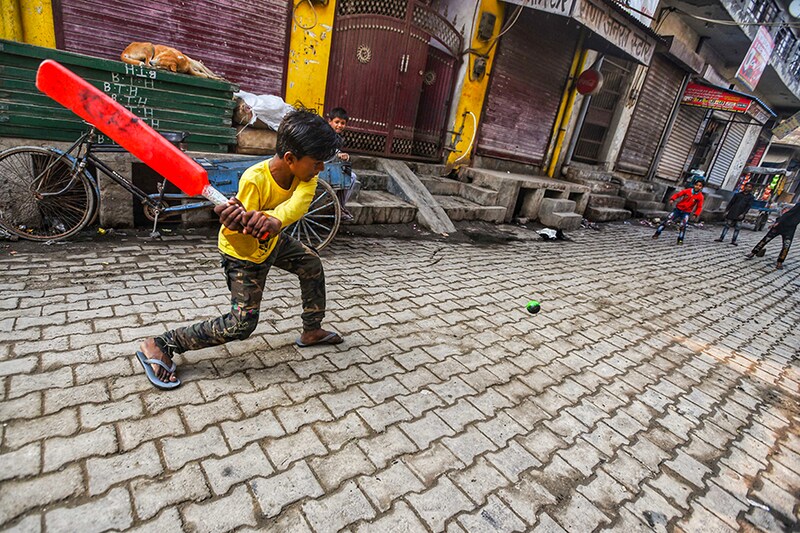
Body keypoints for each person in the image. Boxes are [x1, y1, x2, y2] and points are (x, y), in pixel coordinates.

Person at [136, 109, 343, 389]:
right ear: (291, 159)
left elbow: (300, 203)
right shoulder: (254, 180)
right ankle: (162, 343)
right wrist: (238, 227)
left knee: (310, 264)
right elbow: (242, 240)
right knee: (241, 325)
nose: (320, 169)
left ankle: (312, 330)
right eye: (317, 163)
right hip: (242, 253)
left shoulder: (306, 177)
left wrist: (274, 220)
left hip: (271, 241)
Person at [326, 107, 360, 218]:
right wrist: (337, 155)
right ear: (330, 121)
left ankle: (339, 205)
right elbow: (327, 151)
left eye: (342, 123)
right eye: (337, 122)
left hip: (328, 165)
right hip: (322, 165)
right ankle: (340, 206)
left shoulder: (336, 137)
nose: (339, 125)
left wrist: (342, 155)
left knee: (349, 175)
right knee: (351, 176)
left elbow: (335, 151)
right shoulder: (326, 135)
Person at [746, 203, 800, 270]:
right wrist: (778, 222)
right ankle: (753, 252)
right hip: (780, 225)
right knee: (766, 239)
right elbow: (788, 213)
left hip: (790, 229)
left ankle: (780, 262)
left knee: (786, 246)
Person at [652, 180, 705, 244]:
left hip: (686, 212)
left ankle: (680, 239)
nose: (697, 187)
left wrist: (696, 214)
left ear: (701, 187)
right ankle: (657, 233)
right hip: (678, 209)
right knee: (667, 221)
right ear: (694, 185)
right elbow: (678, 195)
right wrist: (672, 199)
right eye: (696, 185)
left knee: (683, 226)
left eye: (700, 186)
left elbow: (699, 207)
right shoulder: (687, 191)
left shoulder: (700, 197)